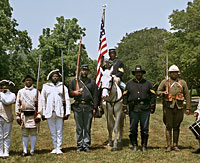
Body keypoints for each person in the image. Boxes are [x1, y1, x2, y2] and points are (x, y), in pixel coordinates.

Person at [157, 65, 191, 152]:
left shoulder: (182, 82)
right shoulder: (165, 82)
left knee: (177, 126)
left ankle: (175, 145)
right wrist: (163, 93)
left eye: (175, 72)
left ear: (178, 73)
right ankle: (169, 145)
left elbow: (187, 95)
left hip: (179, 107)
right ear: (170, 73)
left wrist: (188, 108)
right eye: (172, 72)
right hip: (168, 107)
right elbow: (158, 91)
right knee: (168, 126)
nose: (174, 74)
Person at [122, 65, 156, 152]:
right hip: (133, 109)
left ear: (142, 73)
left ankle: (144, 145)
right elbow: (125, 96)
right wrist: (125, 107)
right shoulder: (129, 84)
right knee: (133, 129)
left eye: (140, 73)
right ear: (134, 74)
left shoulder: (148, 84)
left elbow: (153, 95)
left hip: (145, 109)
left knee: (144, 129)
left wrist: (152, 106)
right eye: (137, 73)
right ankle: (135, 145)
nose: (138, 74)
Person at [69, 64, 98, 152]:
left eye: (86, 70)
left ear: (87, 71)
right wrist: (74, 93)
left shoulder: (92, 82)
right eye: (83, 70)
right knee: (79, 127)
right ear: (80, 71)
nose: (84, 72)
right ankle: (79, 145)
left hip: (88, 107)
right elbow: (69, 92)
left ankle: (86, 144)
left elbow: (95, 96)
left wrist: (95, 108)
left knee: (87, 127)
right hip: (78, 107)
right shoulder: (74, 82)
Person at [41, 69, 70, 154]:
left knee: (59, 130)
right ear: (51, 77)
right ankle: (54, 146)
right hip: (49, 111)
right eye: (53, 76)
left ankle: (59, 147)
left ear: (59, 77)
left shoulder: (63, 86)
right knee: (52, 131)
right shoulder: (46, 86)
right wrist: (43, 112)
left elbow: (67, 99)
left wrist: (67, 111)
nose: (55, 78)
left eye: (56, 76)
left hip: (59, 111)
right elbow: (43, 99)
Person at [15, 75, 42, 156]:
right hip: (24, 115)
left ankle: (32, 151)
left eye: (30, 80)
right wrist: (17, 116)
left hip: (34, 115)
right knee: (25, 134)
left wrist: (39, 116)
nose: (28, 82)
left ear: (32, 81)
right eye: (27, 80)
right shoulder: (21, 91)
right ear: (24, 81)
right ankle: (25, 151)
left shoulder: (36, 91)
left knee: (33, 133)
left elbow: (40, 104)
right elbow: (17, 104)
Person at [0, 80, 16, 158]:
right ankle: (0, 151)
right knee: (0, 136)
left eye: (6, 85)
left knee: (6, 135)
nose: (4, 87)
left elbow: (7, 101)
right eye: (2, 85)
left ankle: (6, 151)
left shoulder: (12, 95)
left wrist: (0, 94)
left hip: (7, 117)